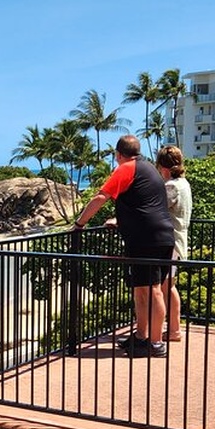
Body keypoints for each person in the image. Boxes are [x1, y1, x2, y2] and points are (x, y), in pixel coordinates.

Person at [72, 135, 174, 357]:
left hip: (146, 239)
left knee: (153, 290)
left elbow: (101, 197)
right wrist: (120, 221)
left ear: (118, 155)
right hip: (159, 235)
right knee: (141, 289)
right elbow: (145, 203)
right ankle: (141, 337)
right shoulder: (148, 169)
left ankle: (155, 344)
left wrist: (79, 224)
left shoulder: (126, 168)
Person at [155, 145, 192, 343]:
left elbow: (157, 209)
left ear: (164, 167)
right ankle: (174, 329)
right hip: (178, 240)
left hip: (170, 242)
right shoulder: (184, 183)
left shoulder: (172, 187)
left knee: (164, 288)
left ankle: (171, 330)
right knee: (168, 287)